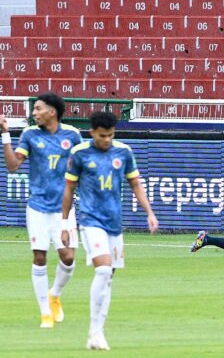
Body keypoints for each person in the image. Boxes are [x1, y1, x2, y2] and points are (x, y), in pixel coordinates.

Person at [61, 111, 158, 350]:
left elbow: (135, 183)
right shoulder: (79, 154)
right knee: (103, 270)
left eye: (111, 135)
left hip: (114, 223)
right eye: (103, 136)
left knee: (109, 278)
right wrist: (65, 224)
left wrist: (149, 212)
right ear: (93, 132)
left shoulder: (123, 152)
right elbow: (69, 189)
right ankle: (94, 332)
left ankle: (98, 334)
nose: (107, 140)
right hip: (91, 220)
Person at [0, 92, 82, 328]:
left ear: (51, 112)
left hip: (64, 209)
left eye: (37, 109)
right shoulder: (30, 135)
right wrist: (5, 133)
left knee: (68, 257)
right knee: (39, 256)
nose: (34, 113)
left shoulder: (73, 135)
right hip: (37, 207)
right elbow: (14, 166)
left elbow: (83, 165)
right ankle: (45, 313)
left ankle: (54, 294)